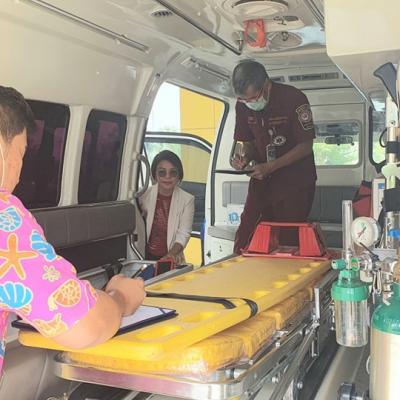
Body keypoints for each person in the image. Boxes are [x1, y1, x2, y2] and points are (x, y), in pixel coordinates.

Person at [0, 86, 146, 375]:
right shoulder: (5, 221)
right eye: (21, 152)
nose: (18, 168)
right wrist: (120, 298)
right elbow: (84, 325)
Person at [231, 60, 317, 253]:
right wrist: (244, 158)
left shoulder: (294, 99)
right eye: (244, 100)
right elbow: (248, 143)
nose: (250, 104)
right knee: (246, 234)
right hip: (263, 179)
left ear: (267, 85)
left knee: (287, 239)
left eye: (253, 98)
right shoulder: (242, 105)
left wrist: (271, 167)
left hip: (295, 182)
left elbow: (306, 146)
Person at [139, 150, 194, 265]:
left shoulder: (187, 199)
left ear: (179, 176)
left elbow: (184, 233)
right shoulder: (143, 195)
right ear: (154, 175)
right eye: (162, 172)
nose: (167, 177)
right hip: (144, 258)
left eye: (173, 172)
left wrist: (171, 255)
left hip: (172, 259)